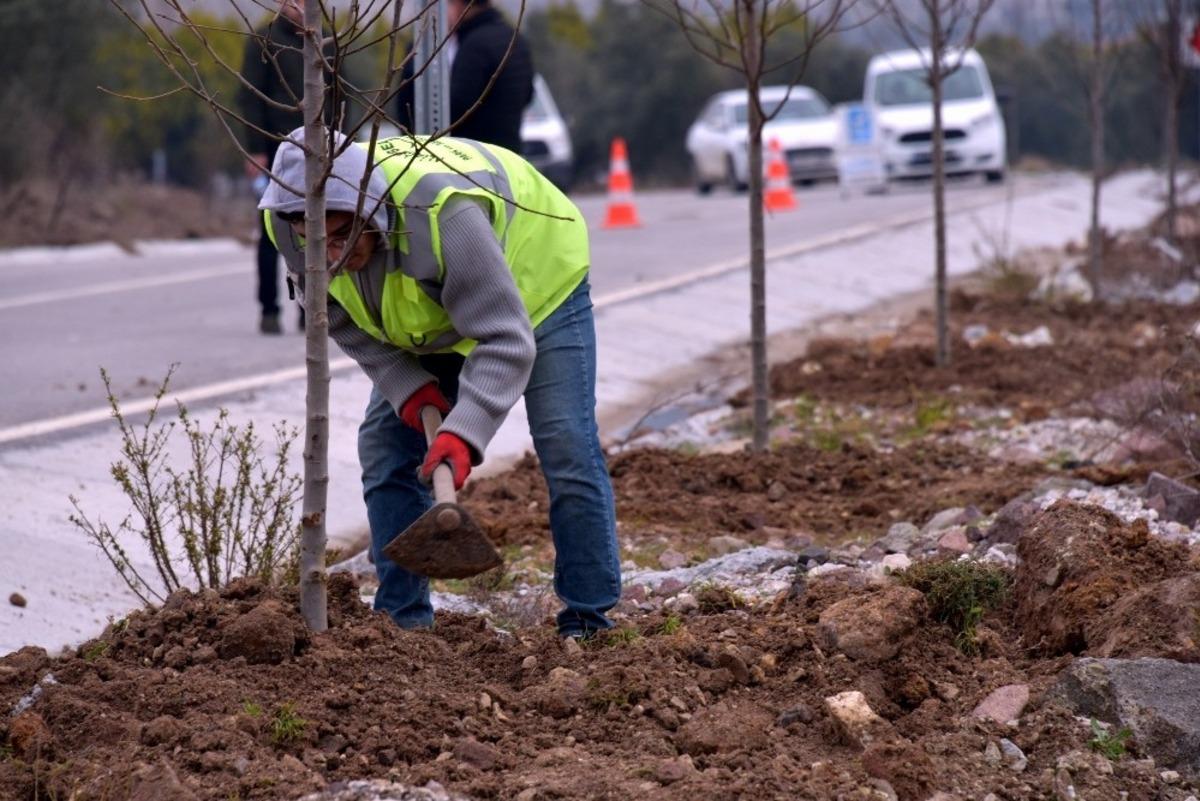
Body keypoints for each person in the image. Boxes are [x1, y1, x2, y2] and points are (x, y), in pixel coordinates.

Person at [259, 129, 621, 638]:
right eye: (318, 239)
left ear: (371, 211)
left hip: (536, 284)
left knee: (566, 445)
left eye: (345, 237)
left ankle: (588, 618)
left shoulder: (443, 217)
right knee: (385, 447)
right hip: (432, 315)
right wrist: (408, 384)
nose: (333, 255)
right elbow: (333, 316)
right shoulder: (294, 227)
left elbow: (505, 339)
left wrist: (464, 433)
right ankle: (401, 625)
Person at [237, 0, 306, 335]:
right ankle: (269, 309)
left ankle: (313, 310)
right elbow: (250, 96)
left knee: (315, 235)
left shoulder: (326, 42)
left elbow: (341, 96)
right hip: (276, 152)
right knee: (271, 231)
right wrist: (255, 149)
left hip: (318, 154)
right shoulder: (263, 40)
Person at [394, 0, 534, 152]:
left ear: (460, 5)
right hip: (511, 154)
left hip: (478, 156)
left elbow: (456, 107)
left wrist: (413, 57)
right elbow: (528, 94)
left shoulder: (475, 45)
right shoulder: (514, 38)